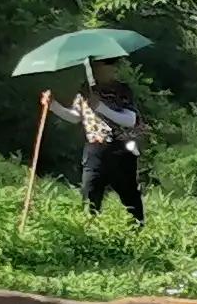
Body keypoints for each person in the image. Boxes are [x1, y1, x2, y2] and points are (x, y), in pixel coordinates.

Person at [60, 59, 146, 224]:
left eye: (110, 66)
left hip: (120, 147)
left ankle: (137, 228)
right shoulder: (86, 91)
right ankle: (89, 231)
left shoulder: (122, 90)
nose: (108, 70)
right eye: (101, 66)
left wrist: (101, 107)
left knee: (129, 194)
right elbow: (75, 117)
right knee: (90, 192)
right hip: (95, 148)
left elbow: (130, 119)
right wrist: (53, 106)